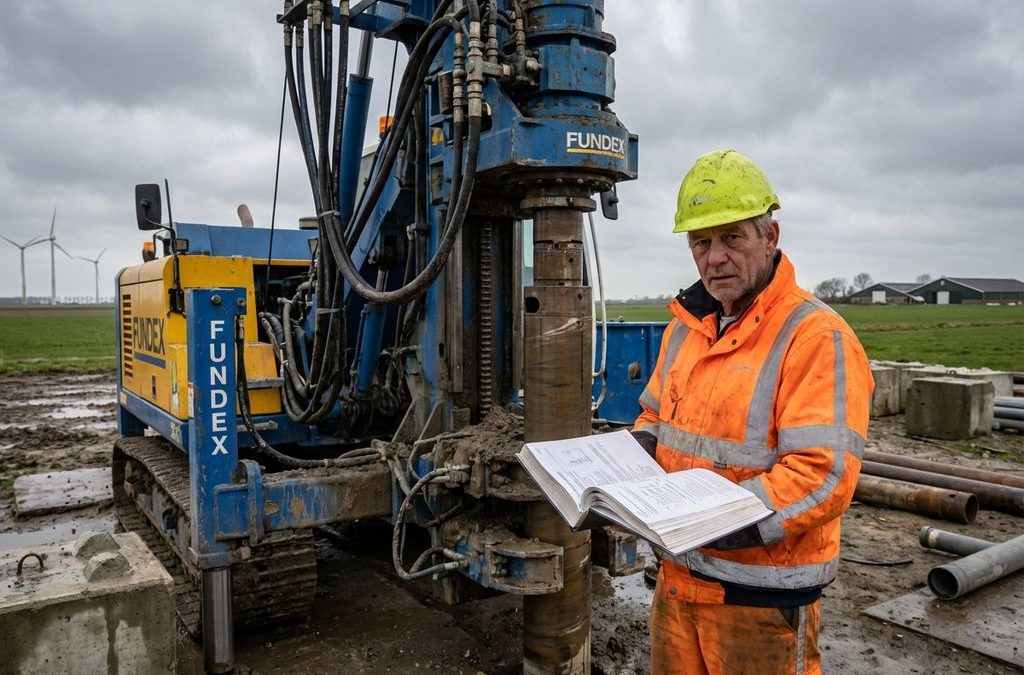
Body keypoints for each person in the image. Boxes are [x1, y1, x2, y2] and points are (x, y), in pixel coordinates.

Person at [632, 149, 873, 674]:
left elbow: (821, 477)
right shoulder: (684, 330)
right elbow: (653, 420)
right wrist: (622, 473)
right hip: (676, 585)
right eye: (701, 242)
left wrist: (710, 523)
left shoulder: (815, 336)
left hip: (757, 601)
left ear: (771, 236)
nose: (714, 257)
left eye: (732, 237)